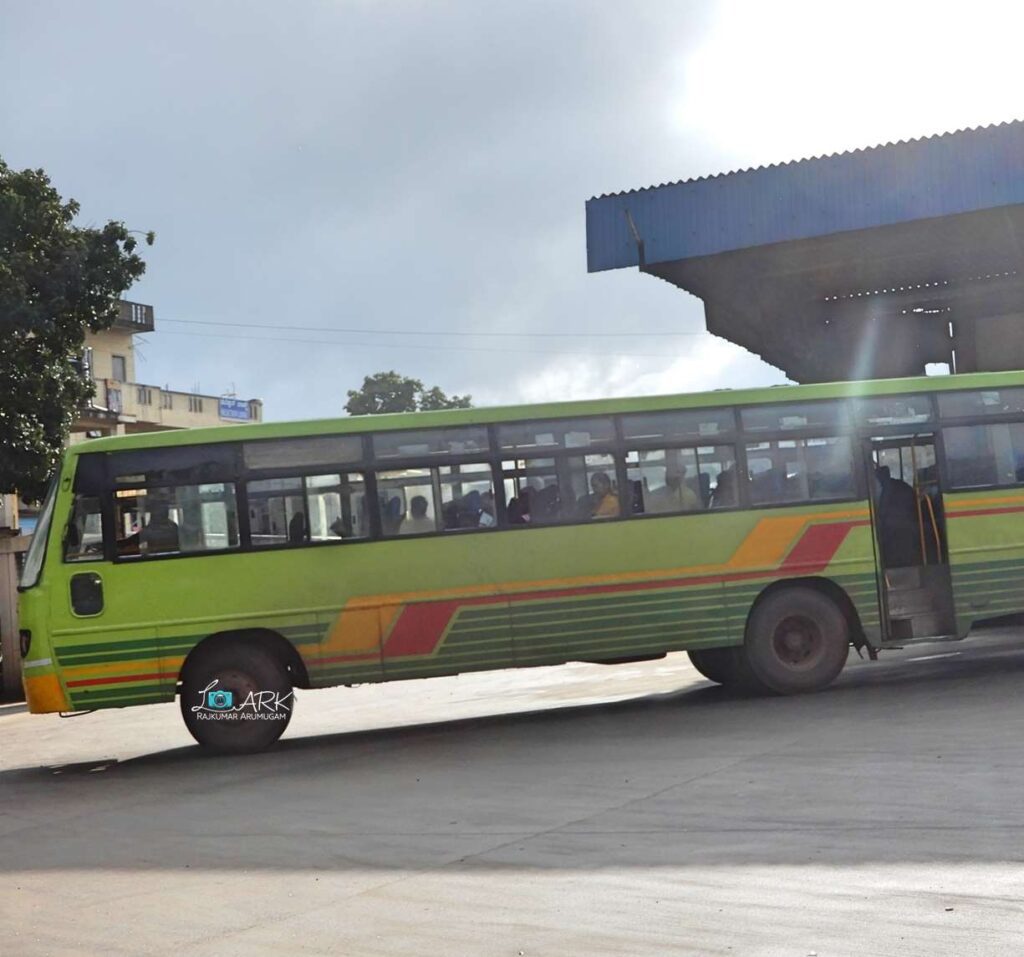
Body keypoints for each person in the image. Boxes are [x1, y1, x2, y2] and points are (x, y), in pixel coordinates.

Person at [875, 465, 920, 567]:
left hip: (897, 525)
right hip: (907, 520)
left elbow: (881, 510)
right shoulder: (899, 484)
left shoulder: (884, 487)